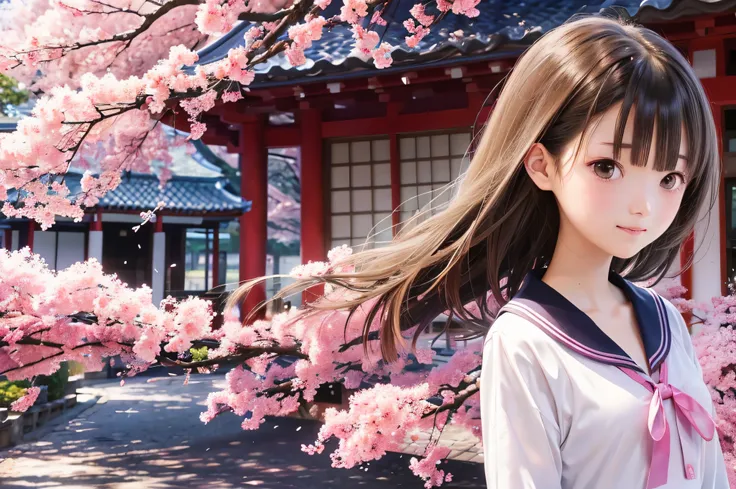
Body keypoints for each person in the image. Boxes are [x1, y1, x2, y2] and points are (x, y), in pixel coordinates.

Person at [228, 12, 728, 489]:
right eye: (607, 167)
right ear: (541, 165)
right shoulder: (526, 342)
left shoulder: (664, 321)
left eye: (670, 176)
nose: (643, 205)